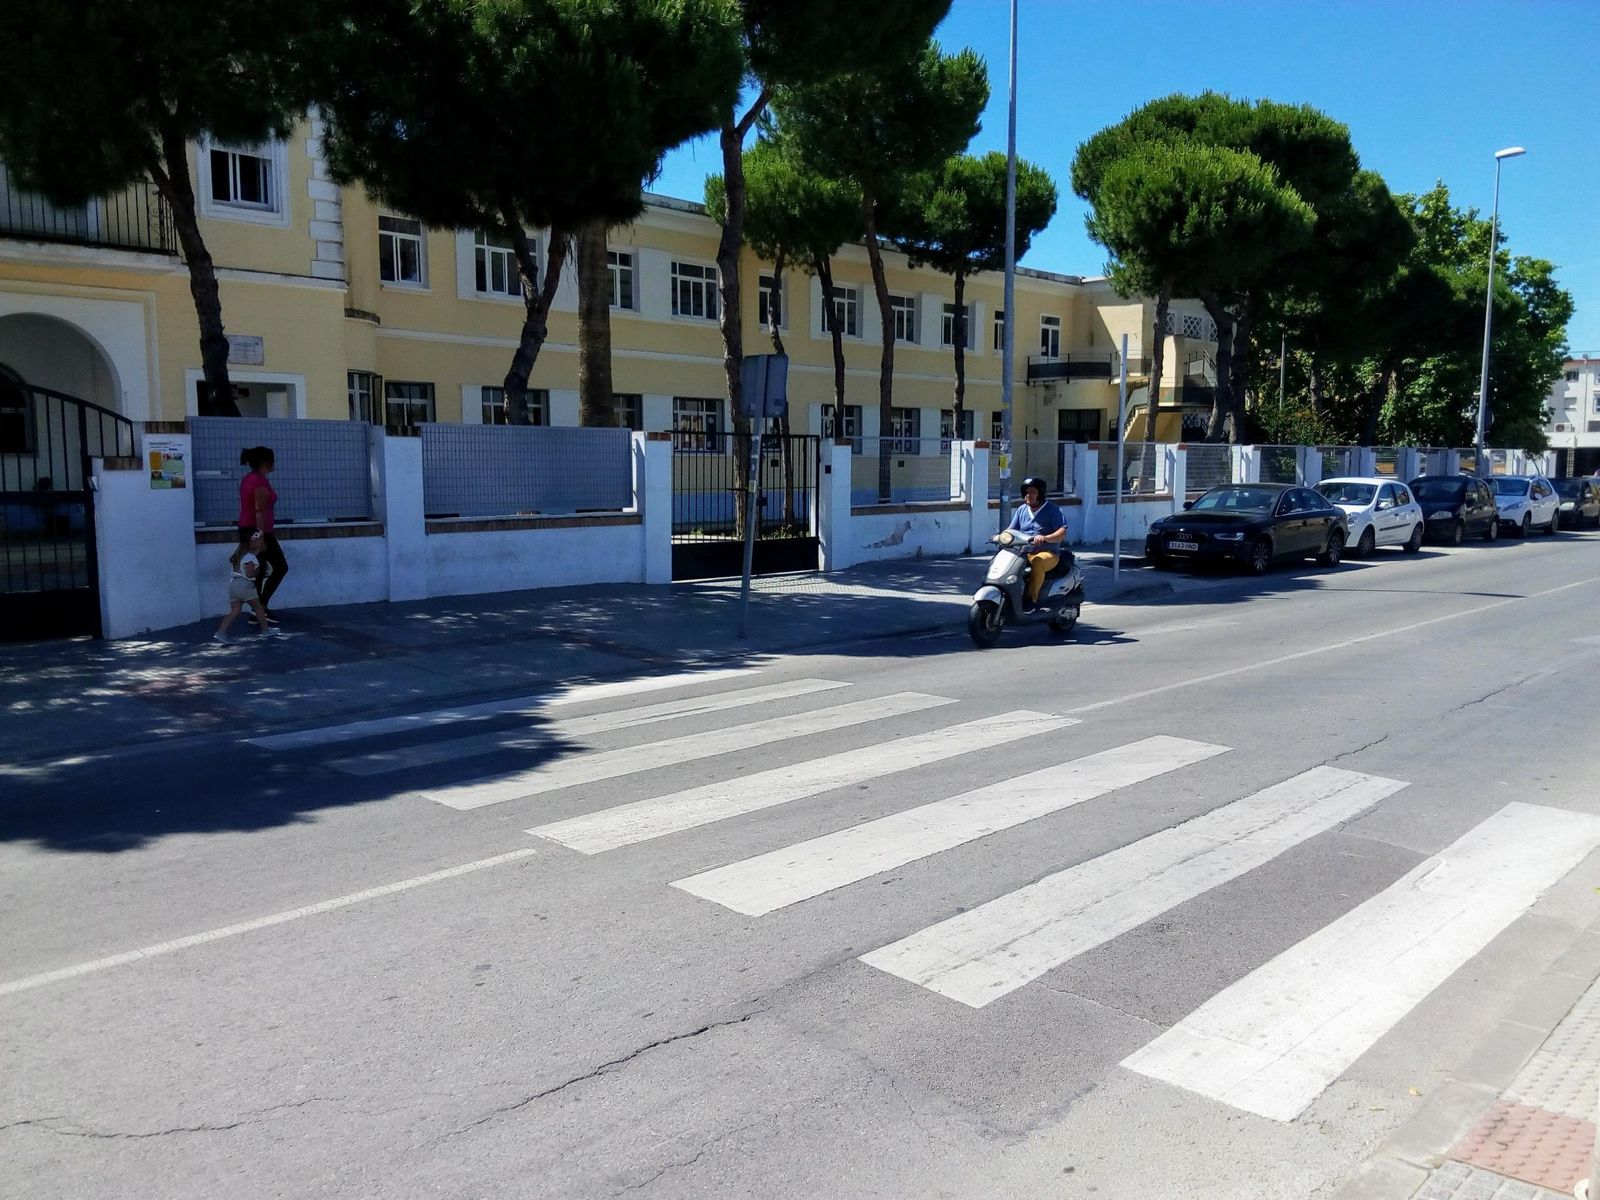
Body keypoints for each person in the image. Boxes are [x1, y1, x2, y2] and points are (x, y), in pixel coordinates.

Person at [238, 446, 288, 621]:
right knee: (280, 567)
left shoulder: (249, 479)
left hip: (249, 529)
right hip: (258, 531)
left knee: (259, 570)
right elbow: (259, 510)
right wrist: (260, 536)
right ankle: (261, 607)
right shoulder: (258, 482)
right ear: (266, 462)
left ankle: (258, 610)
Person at [1007, 476, 1068, 610]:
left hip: (1048, 553)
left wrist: (1045, 538)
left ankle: (1031, 600)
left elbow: (1062, 533)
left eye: (1032, 492)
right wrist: (1001, 536)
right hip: (1024, 552)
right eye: (1026, 492)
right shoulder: (1022, 509)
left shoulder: (1052, 510)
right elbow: (1011, 530)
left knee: (1038, 561)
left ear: (1040, 493)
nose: (1028, 495)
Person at [214, 532, 284, 642]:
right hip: (245, 585)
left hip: (234, 585)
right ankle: (266, 630)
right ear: (253, 543)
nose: (262, 543)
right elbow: (249, 574)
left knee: (235, 611)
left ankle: (220, 632)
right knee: (258, 608)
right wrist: (258, 571)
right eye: (260, 541)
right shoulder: (250, 557)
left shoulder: (238, 556)